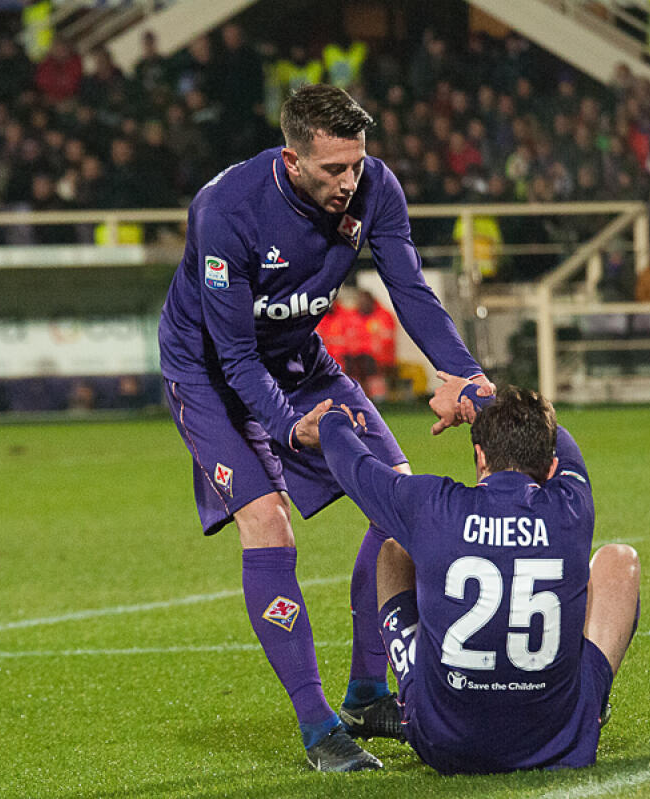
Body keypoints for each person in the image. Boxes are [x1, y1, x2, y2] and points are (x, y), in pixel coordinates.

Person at [157, 84, 493, 772]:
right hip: (210, 372)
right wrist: (289, 429)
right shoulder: (226, 210)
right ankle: (319, 729)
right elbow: (235, 355)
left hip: (298, 356)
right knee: (267, 519)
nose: (349, 182)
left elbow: (412, 292)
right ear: (291, 161)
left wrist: (470, 377)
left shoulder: (377, 187)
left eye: (357, 165)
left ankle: (369, 692)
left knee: (399, 498)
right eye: (333, 170)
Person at [304, 379, 640, 774]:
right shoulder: (571, 507)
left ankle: (408, 695)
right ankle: (590, 709)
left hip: (443, 742)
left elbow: (356, 467)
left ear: (481, 457)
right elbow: (563, 444)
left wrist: (330, 424)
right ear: (551, 467)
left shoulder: (432, 505)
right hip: (556, 740)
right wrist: (479, 399)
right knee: (620, 560)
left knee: (394, 550)